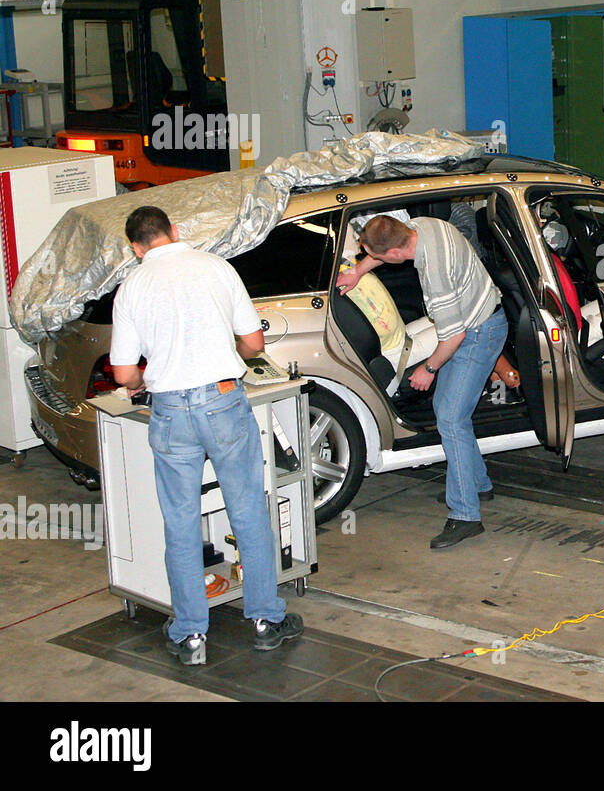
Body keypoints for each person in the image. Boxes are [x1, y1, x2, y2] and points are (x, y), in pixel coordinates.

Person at [109, 206, 303, 667]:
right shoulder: (218, 267)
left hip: (171, 411)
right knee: (248, 509)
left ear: (136, 247)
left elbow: (123, 372)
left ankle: (191, 634)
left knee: (179, 520)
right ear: (174, 232)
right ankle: (264, 621)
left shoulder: (132, 286)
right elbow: (254, 344)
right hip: (223, 401)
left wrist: (139, 384)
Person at [336, 213, 507, 549]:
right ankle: (478, 484)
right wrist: (357, 271)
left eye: (380, 259)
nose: (377, 262)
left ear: (397, 255)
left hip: (478, 333)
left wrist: (427, 370)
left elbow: (454, 335)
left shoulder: (435, 273)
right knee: (449, 411)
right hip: (475, 321)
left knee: (451, 419)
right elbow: (382, 246)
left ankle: (465, 516)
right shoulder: (425, 225)